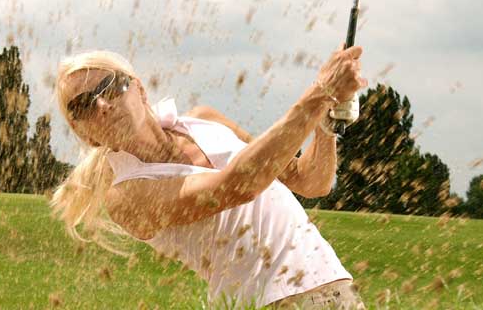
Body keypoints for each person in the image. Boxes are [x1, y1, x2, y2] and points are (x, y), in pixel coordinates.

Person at [49, 47, 369, 309]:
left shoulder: (205, 119)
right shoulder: (126, 195)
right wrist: (321, 93)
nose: (102, 104)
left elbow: (309, 181)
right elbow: (238, 186)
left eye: (109, 86)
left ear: (139, 89)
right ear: (83, 132)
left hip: (334, 288)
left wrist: (327, 123)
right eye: (83, 105)